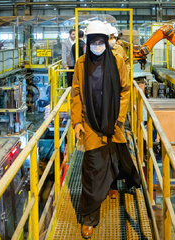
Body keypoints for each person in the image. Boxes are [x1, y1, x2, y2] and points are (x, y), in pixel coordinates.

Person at [70, 20, 140, 239]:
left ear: (106, 42)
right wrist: (77, 123)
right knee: (92, 169)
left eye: (101, 42)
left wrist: (118, 119)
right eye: (94, 42)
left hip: (113, 122)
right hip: (90, 123)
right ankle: (89, 217)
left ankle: (115, 184)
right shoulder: (81, 64)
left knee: (115, 155)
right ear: (88, 42)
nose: (97, 45)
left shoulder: (117, 61)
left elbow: (125, 90)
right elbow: (76, 94)